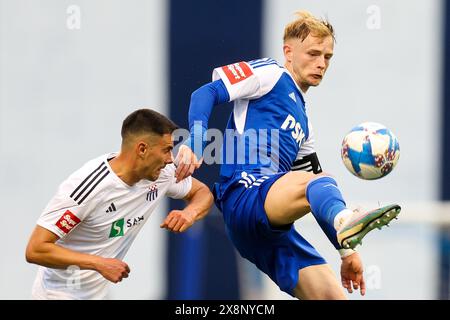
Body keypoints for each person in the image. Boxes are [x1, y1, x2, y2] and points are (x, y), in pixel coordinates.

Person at [176, 11, 401, 299]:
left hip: (267, 232)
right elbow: (204, 94)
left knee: (333, 297)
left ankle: (344, 224)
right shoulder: (271, 74)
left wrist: (346, 252)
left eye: (328, 57)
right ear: (288, 52)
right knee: (317, 181)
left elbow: (316, 194)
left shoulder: (304, 126)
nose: (321, 63)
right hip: (244, 194)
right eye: (314, 53)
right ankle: (346, 220)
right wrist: (195, 139)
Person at [25, 108, 213, 300]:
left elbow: (202, 193)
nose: (170, 159)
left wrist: (189, 213)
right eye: (166, 150)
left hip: (98, 294)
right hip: (57, 295)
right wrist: (99, 263)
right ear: (142, 149)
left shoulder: (161, 174)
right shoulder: (87, 188)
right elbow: (36, 249)